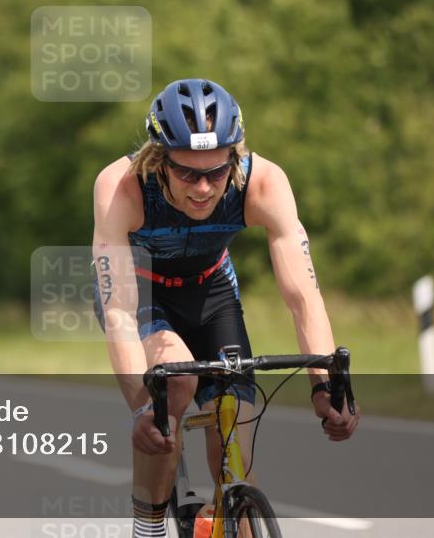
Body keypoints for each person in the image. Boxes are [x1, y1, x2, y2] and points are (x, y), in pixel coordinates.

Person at [91, 79, 360, 538]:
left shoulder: (263, 183)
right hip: (141, 292)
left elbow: (303, 298)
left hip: (211, 289)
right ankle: (149, 526)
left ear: (234, 158)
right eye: (186, 173)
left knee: (234, 443)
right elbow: (118, 310)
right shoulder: (122, 186)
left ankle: (234, 514)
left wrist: (324, 387)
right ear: (159, 160)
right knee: (173, 385)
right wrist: (142, 408)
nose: (202, 187)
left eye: (216, 173)